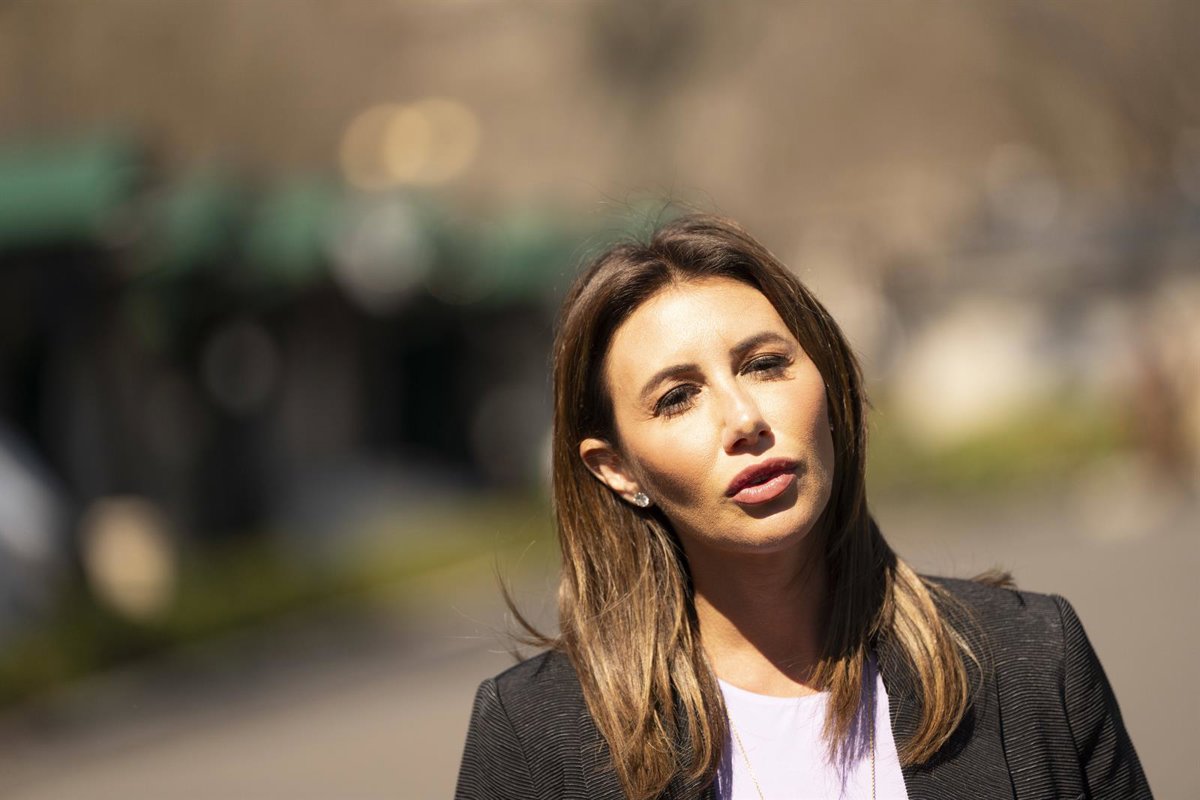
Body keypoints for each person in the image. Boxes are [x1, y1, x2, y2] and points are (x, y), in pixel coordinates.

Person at [455, 213, 1151, 799]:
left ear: (830, 384)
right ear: (616, 469)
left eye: (764, 364)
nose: (743, 419)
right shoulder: (533, 739)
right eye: (677, 398)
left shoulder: (1031, 661)